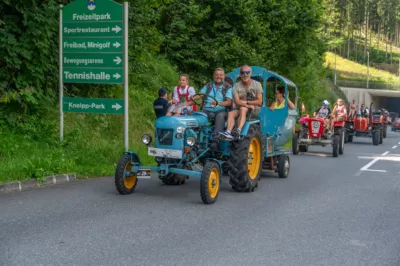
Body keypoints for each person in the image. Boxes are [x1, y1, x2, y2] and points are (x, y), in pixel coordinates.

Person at [218, 65, 263, 140]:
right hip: (242, 108)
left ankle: (238, 131)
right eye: (242, 72)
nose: (245, 74)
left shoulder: (257, 84)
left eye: (247, 72)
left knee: (243, 108)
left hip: (254, 110)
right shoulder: (236, 86)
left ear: (250, 73)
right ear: (240, 74)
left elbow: (259, 101)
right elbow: (237, 102)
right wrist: (247, 105)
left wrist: (246, 102)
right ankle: (228, 132)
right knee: (231, 113)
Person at [192, 68, 233, 149]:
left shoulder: (228, 87)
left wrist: (218, 103)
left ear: (224, 76)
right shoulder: (208, 85)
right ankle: (194, 140)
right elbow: (200, 94)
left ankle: (215, 140)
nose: (219, 76)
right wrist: (193, 97)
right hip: (206, 110)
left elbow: (229, 102)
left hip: (221, 110)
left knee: (220, 116)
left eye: (221, 75)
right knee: (197, 116)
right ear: (214, 76)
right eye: (217, 75)